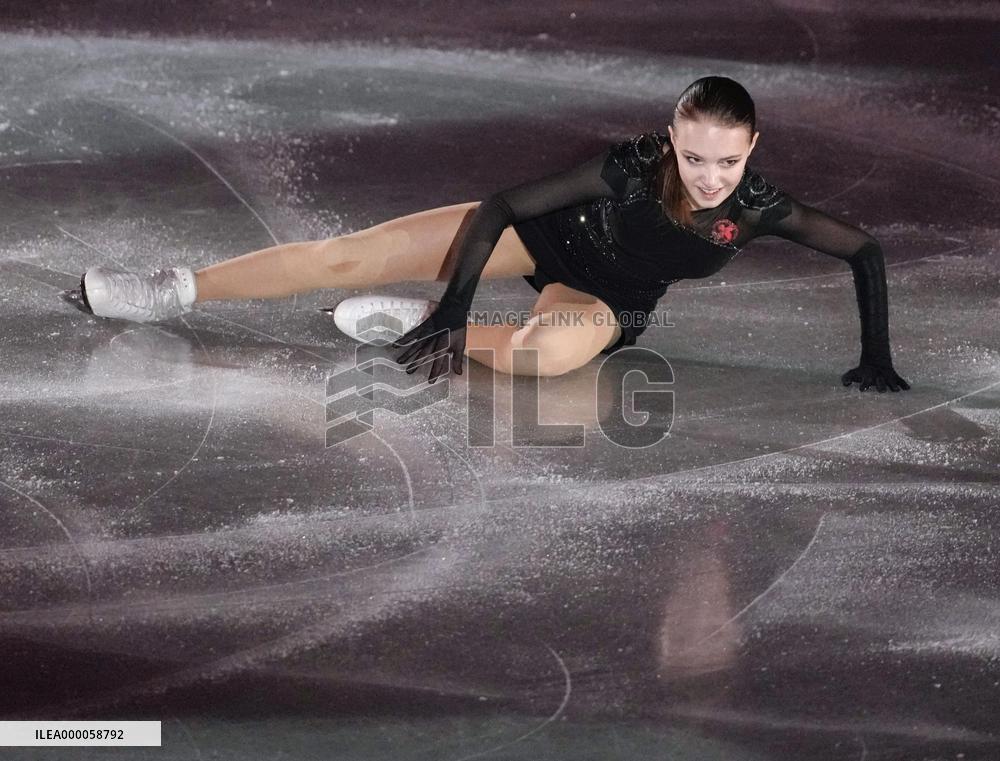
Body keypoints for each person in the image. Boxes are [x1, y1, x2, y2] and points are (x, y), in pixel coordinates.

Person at [76, 75, 909, 393]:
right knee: (351, 252)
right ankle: (175, 287)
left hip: (607, 295)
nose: (707, 176)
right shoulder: (630, 166)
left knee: (545, 361)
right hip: (541, 238)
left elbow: (863, 249)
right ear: (674, 136)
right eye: (695, 155)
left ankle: (410, 324)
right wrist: (452, 299)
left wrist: (877, 354)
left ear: (751, 148)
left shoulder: (760, 205)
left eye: (725, 161)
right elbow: (500, 207)